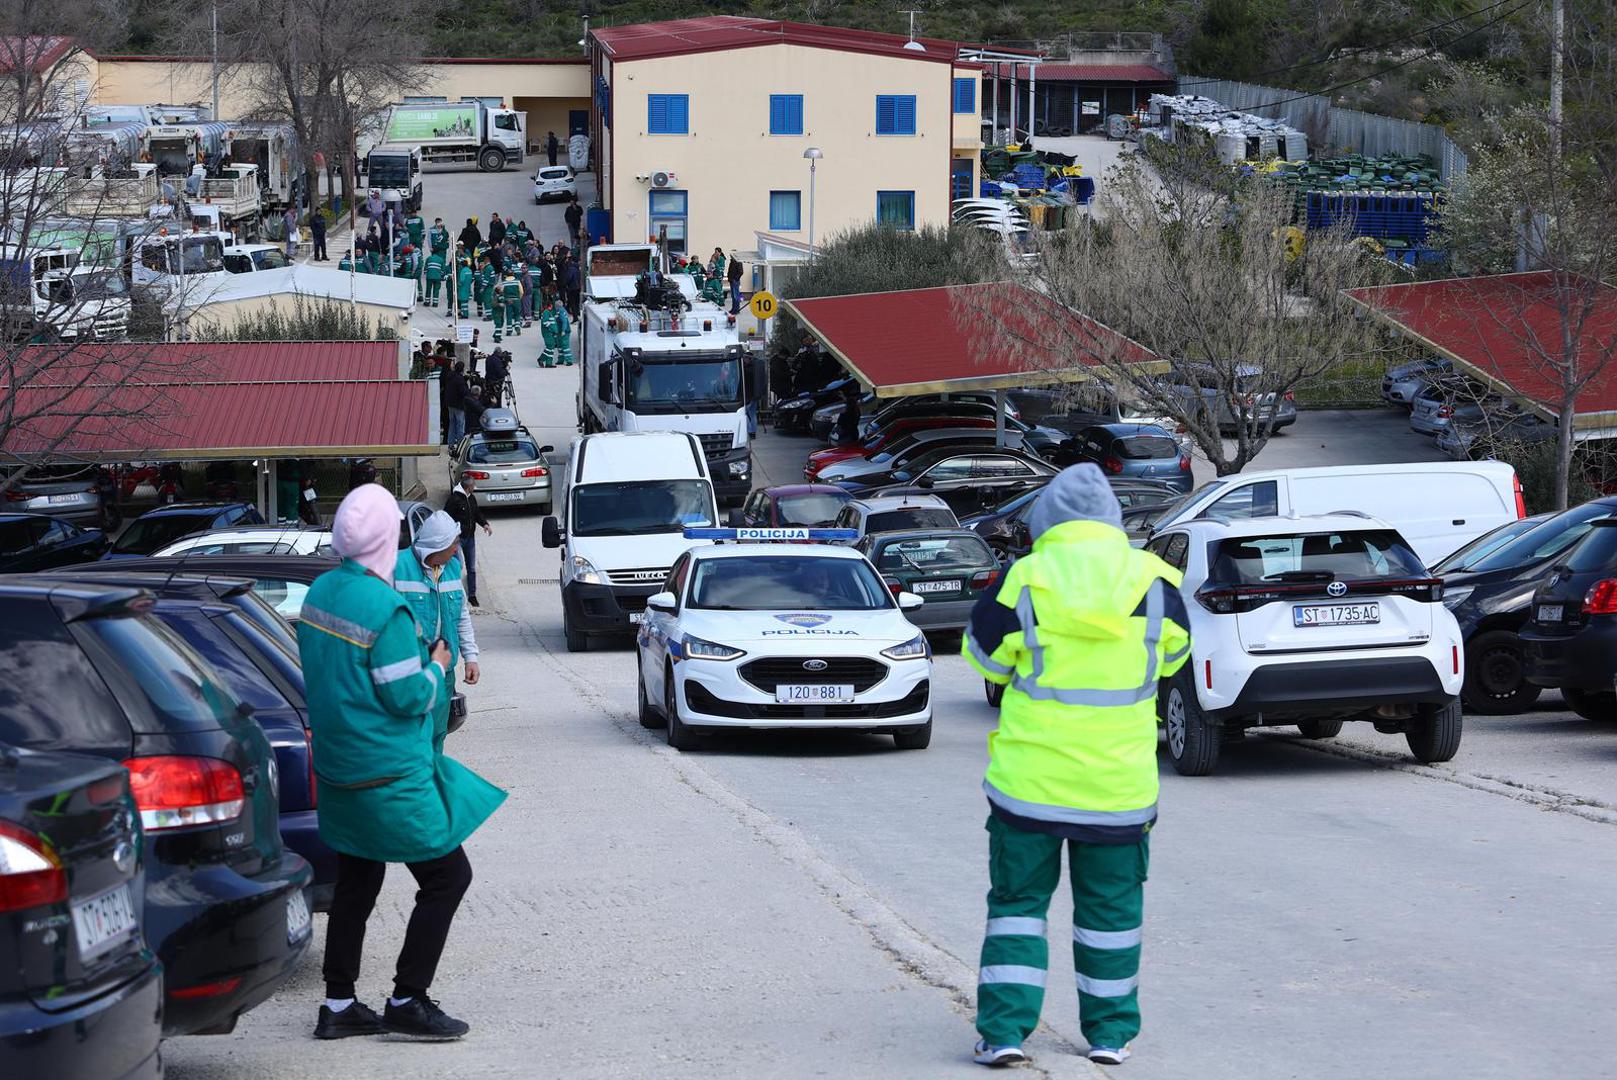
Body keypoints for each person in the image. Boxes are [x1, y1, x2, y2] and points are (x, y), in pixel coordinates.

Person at [962, 465, 1191, 1070]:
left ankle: (1004, 1032)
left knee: (1017, 909)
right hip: (1118, 789)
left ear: (1046, 522)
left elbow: (984, 658)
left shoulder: (1023, 579)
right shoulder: (1157, 583)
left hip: (1028, 789)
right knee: (1112, 917)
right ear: (1113, 521)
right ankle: (1110, 1036)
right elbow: (1174, 658)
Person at [300, 485, 504, 1043]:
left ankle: (339, 1005)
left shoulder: (320, 592)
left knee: (357, 884)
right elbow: (408, 697)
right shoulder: (383, 608)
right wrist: (438, 664)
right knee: (448, 876)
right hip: (388, 773)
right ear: (389, 540)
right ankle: (407, 998)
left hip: (339, 772)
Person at [444, 472, 491, 607]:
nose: (475, 487)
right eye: (473, 485)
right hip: (458, 539)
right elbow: (446, 517)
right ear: (468, 486)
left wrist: (485, 524)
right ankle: (456, 593)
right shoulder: (454, 499)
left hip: (470, 538)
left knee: (471, 568)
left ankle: (472, 595)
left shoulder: (471, 498)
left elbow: (476, 513)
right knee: (457, 566)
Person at [443, 361, 469, 446]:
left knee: (452, 424)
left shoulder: (450, 376)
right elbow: (463, 392)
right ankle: (460, 443)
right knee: (460, 425)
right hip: (458, 405)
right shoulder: (459, 379)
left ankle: (450, 444)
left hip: (450, 404)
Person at [727, 250, 743, 315]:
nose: (730, 255)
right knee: (733, 296)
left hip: (735, 281)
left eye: (731, 254)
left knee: (736, 296)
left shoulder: (738, 261)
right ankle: (734, 309)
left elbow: (741, 272)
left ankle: (736, 309)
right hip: (732, 280)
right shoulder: (732, 261)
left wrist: (735, 279)